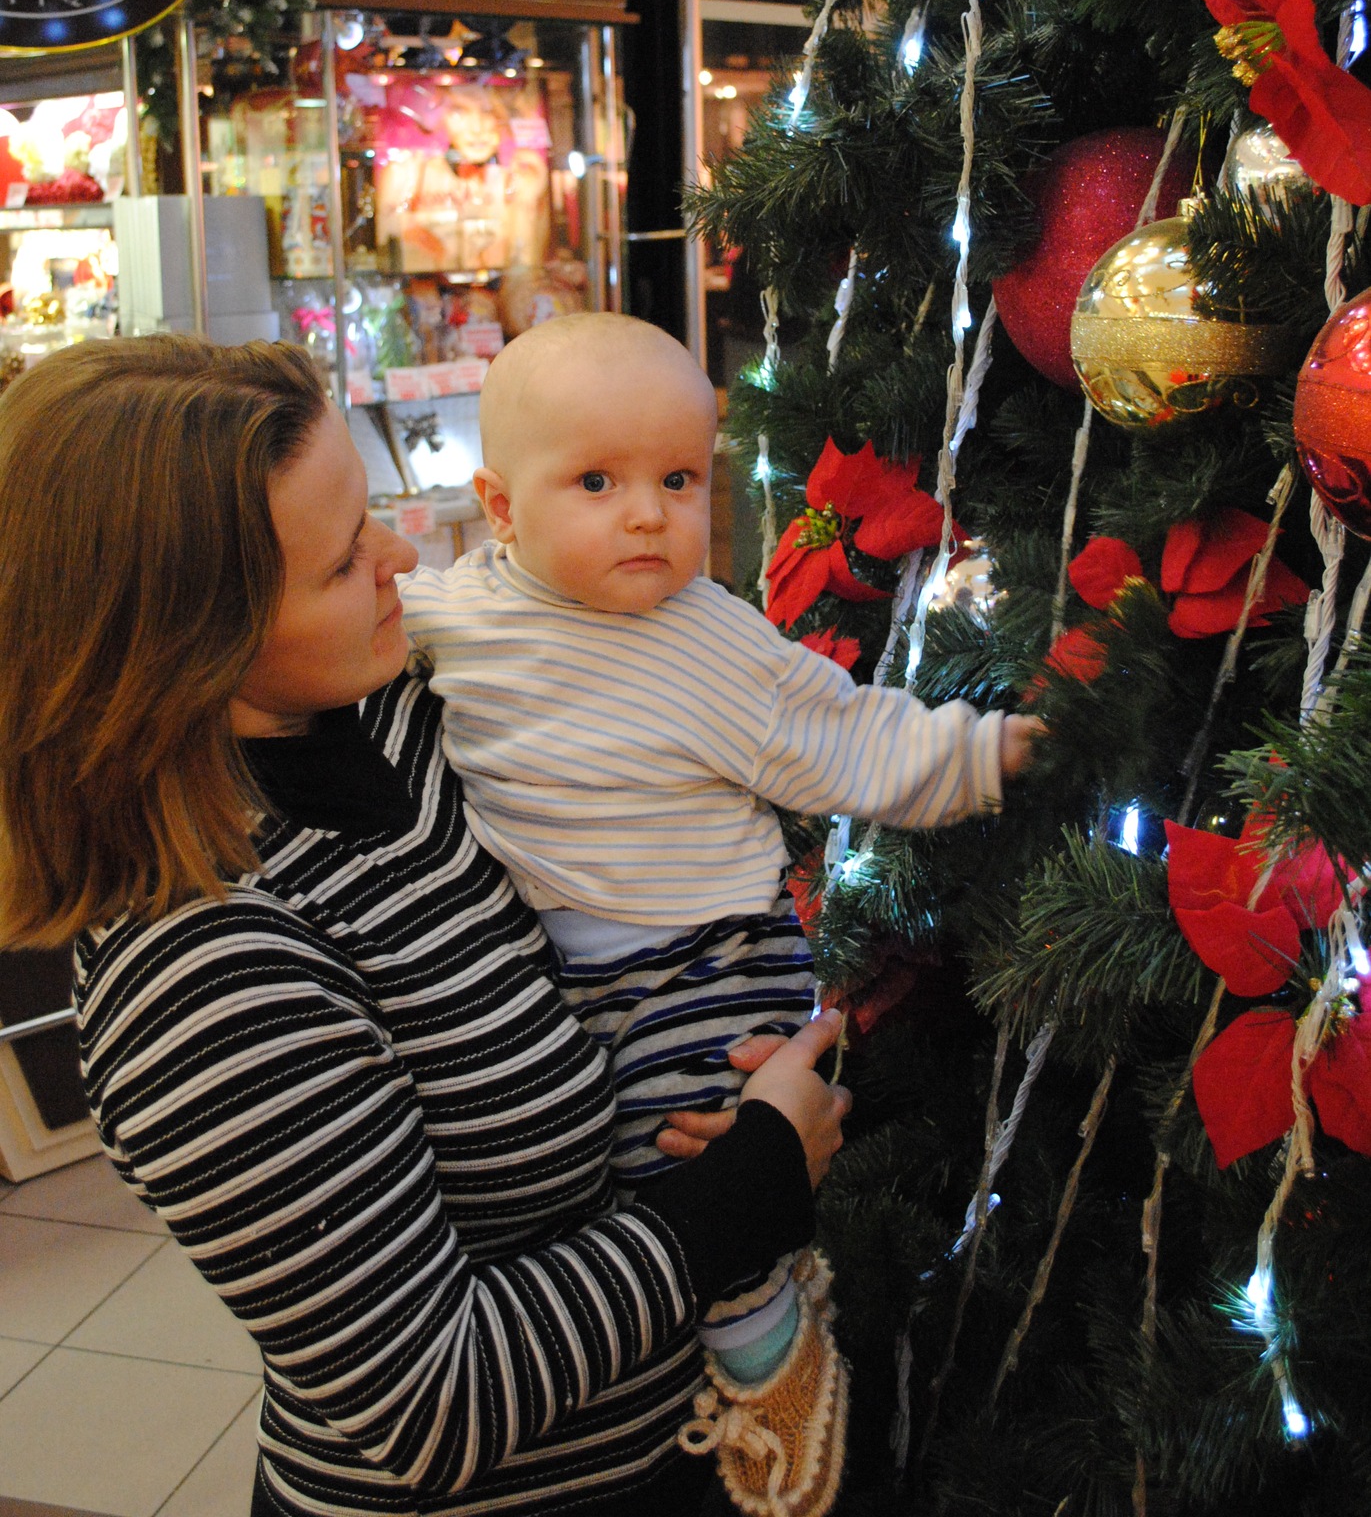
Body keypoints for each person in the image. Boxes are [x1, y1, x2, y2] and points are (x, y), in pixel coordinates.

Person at [0, 335, 851, 1517]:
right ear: (194, 643)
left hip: (670, 1444)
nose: (402, 554)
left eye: (371, 513)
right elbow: (425, 1405)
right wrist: (754, 1177)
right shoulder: (203, 972)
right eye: (345, 558)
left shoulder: (400, 711)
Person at [400, 311, 1043, 1516]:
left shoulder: (707, 635)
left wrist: (988, 751)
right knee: (594, 1156)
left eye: (680, 479)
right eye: (597, 482)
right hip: (561, 970)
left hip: (708, 954)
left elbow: (844, 734)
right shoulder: (451, 617)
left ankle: (764, 1336)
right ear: (498, 506)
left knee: (688, 1127)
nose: (649, 514)